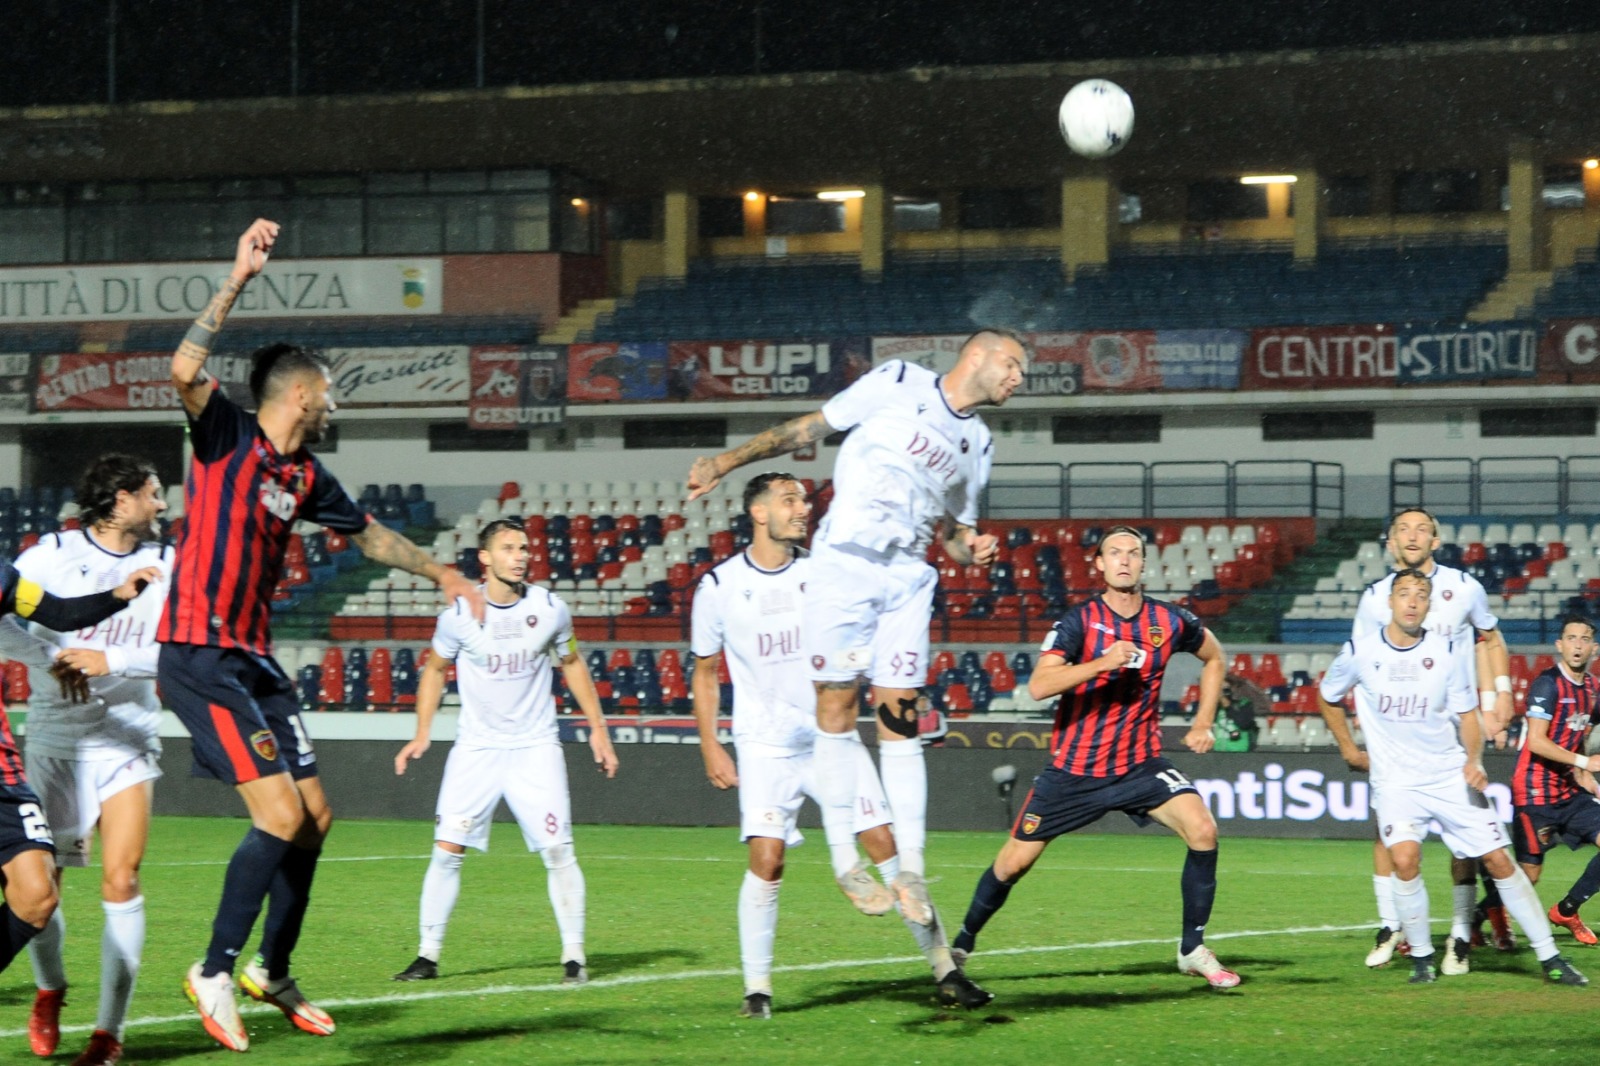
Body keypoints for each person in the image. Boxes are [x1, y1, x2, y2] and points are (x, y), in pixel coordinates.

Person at [161, 218, 483, 1052]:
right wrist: (237, 277)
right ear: (301, 393)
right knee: (274, 814)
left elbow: (370, 534)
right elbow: (183, 369)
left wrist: (440, 573)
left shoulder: (304, 475)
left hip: (256, 659)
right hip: (199, 652)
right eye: (329, 390)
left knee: (315, 815)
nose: (335, 402)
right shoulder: (228, 433)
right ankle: (213, 967)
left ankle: (271, 967)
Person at [687, 330, 1028, 925]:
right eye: (1013, 365)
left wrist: (973, 551)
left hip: (908, 576)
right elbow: (808, 429)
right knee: (838, 709)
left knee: (901, 719)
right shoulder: (898, 382)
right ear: (977, 356)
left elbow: (954, 532)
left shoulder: (979, 441)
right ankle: (846, 858)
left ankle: (913, 869)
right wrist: (726, 460)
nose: (1019, 379)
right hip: (845, 562)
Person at [689, 472, 990, 1018]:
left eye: (804, 500)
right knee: (768, 858)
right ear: (758, 513)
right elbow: (706, 671)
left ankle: (945, 969)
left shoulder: (826, 573)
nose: (802, 508)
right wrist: (710, 743)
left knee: (887, 847)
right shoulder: (719, 586)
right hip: (766, 743)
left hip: (831, 733)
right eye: (788, 500)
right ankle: (757, 988)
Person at [949, 526, 1241, 989]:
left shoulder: (1168, 621)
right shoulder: (1078, 622)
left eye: (1133, 553)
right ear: (1099, 565)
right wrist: (1104, 662)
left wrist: (1203, 722)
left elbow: (1215, 657)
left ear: (1144, 564)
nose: (1124, 560)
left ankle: (1192, 948)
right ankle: (961, 945)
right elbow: (1040, 686)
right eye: (1114, 553)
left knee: (1203, 829)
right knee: (1012, 865)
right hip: (1074, 772)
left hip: (1139, 766)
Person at [1319, 568, 1586, 986]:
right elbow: (1328, 696)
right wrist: (1350, 750)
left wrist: (1474, 760)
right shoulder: (1360, 650)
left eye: (1420, 595)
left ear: (1429, 604)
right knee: (1404, 859)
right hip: (1395, 782)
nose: (1411, 601)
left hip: (1447, 774)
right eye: (1403, 593)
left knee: (1499, 860)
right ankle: (1423, 957)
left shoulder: (1445, 652)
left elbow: (1467, 716)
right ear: (1389, 602)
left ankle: (1550, 957)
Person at [391, 518, 618, 984]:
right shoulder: (459, 614)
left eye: (525, 548)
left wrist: (599, 728)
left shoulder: (550, 608)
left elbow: (572, 664)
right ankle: (427, 956)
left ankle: (574, 956)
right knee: (446, 850)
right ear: (486, 558)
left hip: (536, 748)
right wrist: (422, 732)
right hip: (477, 750)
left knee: (558, 851)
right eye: (510, 548)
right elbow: (434, 670)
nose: (521, 556)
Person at [0, 456, 171, 1066]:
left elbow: (185, 651)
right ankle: (49, 991)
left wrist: (113, 663)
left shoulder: (169, 567)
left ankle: (108, 1034)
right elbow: (0, 623)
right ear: (121, 500)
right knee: (43, 886)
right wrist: (47, 661)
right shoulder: (47, 554)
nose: (162, 505)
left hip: (127, 737)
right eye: (154, 494)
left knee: (121, 878)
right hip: (54, 739)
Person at [1351, 507, 1518, 972]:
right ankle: (1391, 925)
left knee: (1465, 842)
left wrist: (1499, 697)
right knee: (1388, 832)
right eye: (1402, 528)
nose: (1412, 535)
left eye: (1422, 528)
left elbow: (1490, 638)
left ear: (1436, 540)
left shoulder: (1465, 588)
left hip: (1455, 730)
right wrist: (1366, 732)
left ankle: (1461, 935)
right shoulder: (1374, 599)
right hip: (1400, 736)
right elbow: (1363, 664)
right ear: (1389, 542)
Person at [1510, 614, 1600, 945]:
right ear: (1559, 645)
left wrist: (1583, 772)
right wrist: (1583, 762)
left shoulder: (1592, 688)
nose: (1578, 645)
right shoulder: (1547, 684)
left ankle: (1567, 909)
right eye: (1571, 638)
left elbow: (1585, 731)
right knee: (1527, 875)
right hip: (1534, 791)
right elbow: (1536, 741)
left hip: (1569, 790)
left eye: (1585, 638)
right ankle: (1481, 915)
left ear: (1595, 648)